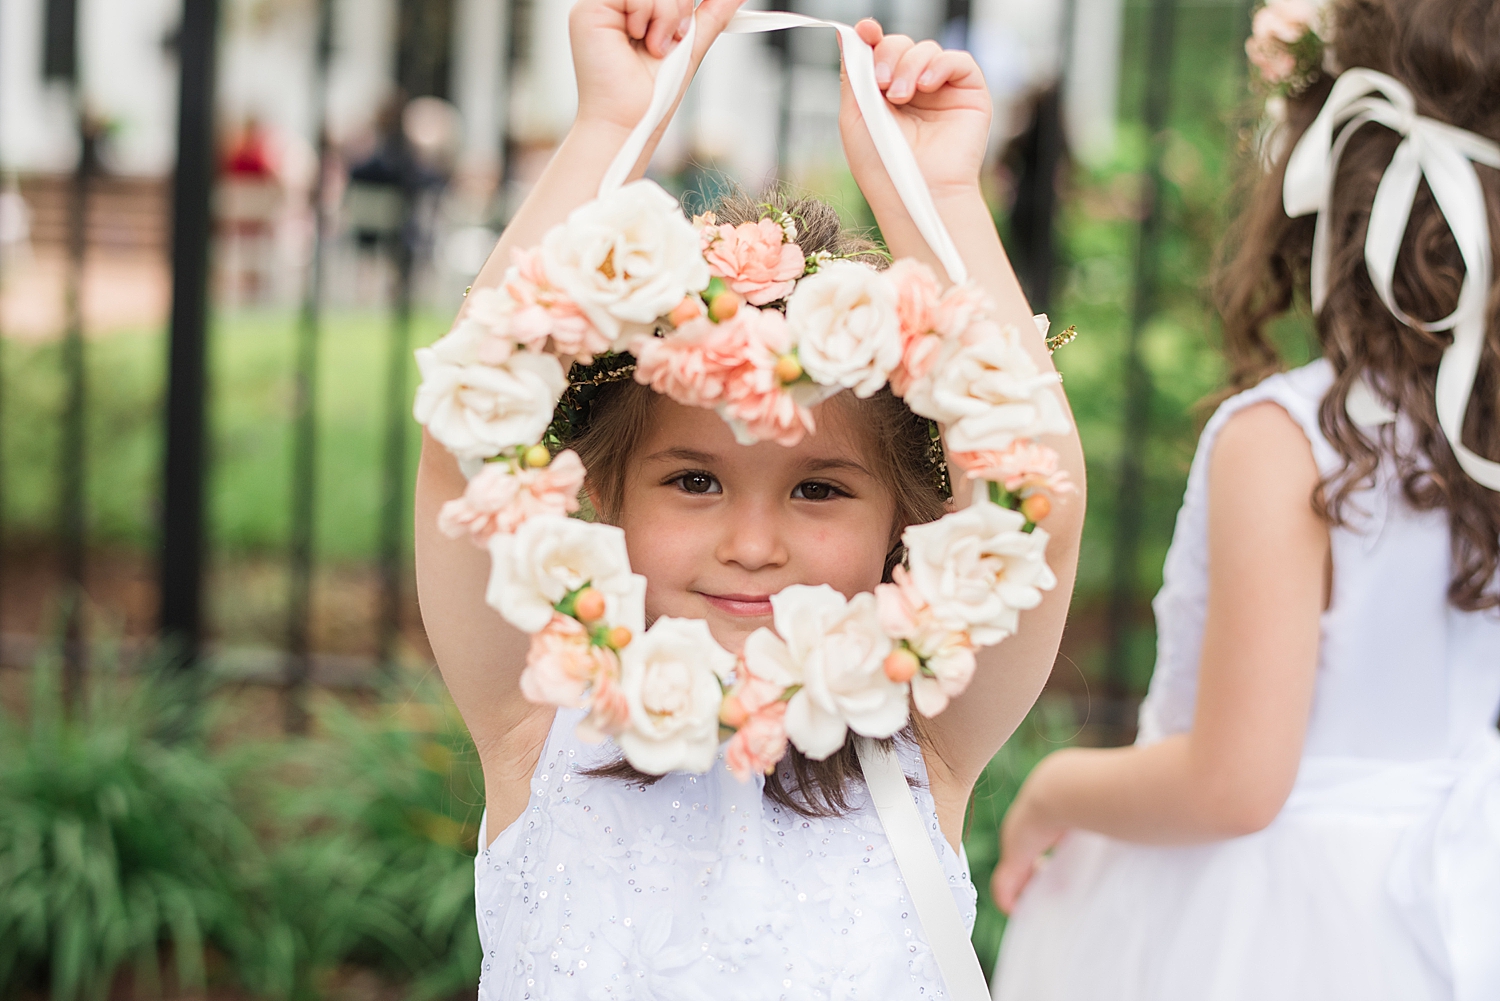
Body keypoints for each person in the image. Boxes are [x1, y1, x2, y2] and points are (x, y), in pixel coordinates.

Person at [413, 1, 1085, 997]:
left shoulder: (924, 729)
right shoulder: (537, 706)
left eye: (819, 487)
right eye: (694, 480)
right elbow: (467, 424)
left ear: (905, 518)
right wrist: (616, 122)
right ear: (601, 490)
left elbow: (1040, 490)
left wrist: (933, 191)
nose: (755, 541)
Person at [991, 1, 1500, 999]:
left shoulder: (1292, 437)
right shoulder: (1480, 436)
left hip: (1264, 927)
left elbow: (1233, 784)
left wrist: (1052, 788)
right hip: (1456, 906)